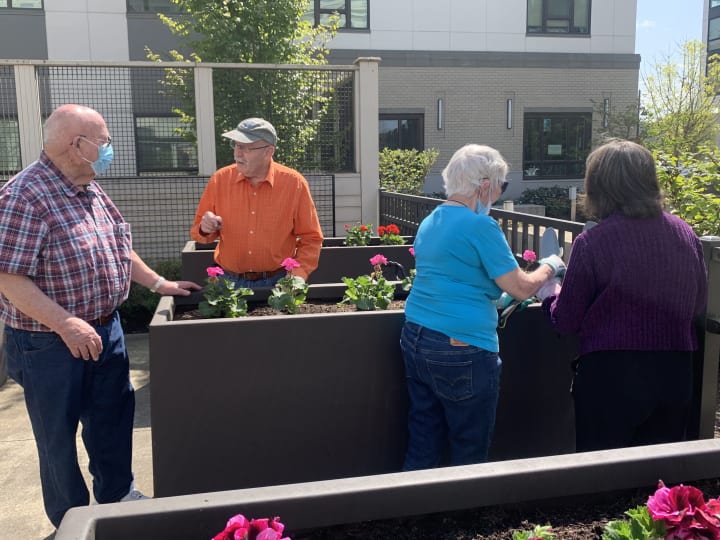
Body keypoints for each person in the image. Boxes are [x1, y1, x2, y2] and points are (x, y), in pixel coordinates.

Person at [0, 104, 201, 529]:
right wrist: (65, 323)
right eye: (104, 140)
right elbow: (9, 276)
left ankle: (117, 496)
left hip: (105, 330)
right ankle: (72, 520)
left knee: (112, 418)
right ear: (77, 144)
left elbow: (117, 246)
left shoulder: (89, 186)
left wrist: (159, 284)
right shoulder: (25, 195)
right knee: (57, 439)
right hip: (47, 343)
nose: (109, 148)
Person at [400, 144, 565, 470]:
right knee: (469, 453)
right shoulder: (480, 226)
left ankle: (411, 516)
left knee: (423, 440)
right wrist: (550, 265)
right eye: (500, 188)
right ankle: (464, 518)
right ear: (485, 185)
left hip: (415, 338)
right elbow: (520, 287)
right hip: (462, 348)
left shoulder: (430, 221)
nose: (497, 197)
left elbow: (460, 276)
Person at [540, 139, 708, 452]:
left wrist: (549, 293)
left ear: (599, 186)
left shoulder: (593, 242)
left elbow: (565, 320)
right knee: (659, 482)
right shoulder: (686, 234)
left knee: (604, 478)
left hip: (611, 377)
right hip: (675, 371)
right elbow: (698, 304)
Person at [190, 117, 323, 286]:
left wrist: (298, 273)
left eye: (246, 148)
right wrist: (205, 227)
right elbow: (198, 233)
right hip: (227, 284)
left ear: (268, 151)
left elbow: (311, 238)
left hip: (278, 283)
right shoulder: (220, 180)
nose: (238, 154)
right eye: (237, 146)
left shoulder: (294, 184)